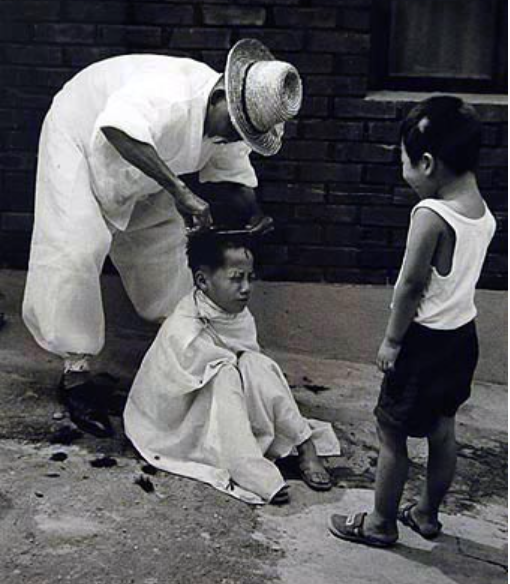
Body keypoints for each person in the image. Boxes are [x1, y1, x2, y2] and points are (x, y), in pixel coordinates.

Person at [23, 39, 303, 438]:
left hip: (144, 166)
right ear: (221, 97)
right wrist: (179, 189)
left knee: (164, 247)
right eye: (234, 130)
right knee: (77, 247)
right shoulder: (171, 96)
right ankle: (75, 376)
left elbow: (236, 183)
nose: (232, 139)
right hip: (81, 135)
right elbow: (116, 128)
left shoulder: (231, 126)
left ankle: (182, 359)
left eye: (243, 135)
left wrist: (255, 217)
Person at [329, 96, 496, 547]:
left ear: (426, 163)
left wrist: (391, 340)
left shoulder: (430, 216)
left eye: (404, 161)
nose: (403, 171)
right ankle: (426, 514)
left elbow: (409, 287)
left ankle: (380, 522)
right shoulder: (481, 211)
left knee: (391, 431)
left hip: (423, 343)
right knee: (443, 429)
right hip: (462, 338)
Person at [124, 231, 340, 505]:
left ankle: (305, 445)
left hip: (229, 400)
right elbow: (173, 387)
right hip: (181, 415)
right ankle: (248, 467)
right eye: (236, 278)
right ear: (203, 281)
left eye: (250, 277)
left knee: (258, 364)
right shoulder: (186, 327)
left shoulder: (236, 316)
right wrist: (229, 371)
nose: (246, 288)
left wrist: (245, 371)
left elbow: (248, 359)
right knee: (224, 373)